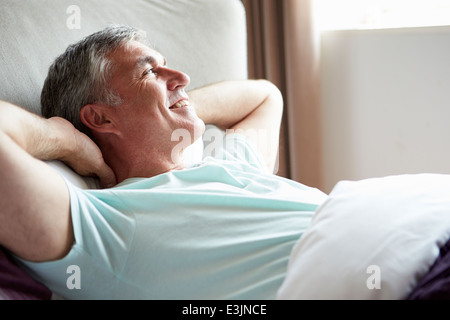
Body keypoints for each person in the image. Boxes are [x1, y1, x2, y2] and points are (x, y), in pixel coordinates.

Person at [0, 24, 327, 299]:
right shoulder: (107, 225)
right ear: (100, 117)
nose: (182, 76)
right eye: (149, 71)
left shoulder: (227, 164)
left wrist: (178, 106)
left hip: (361, 218)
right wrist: (67, 140)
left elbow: (265, 96)